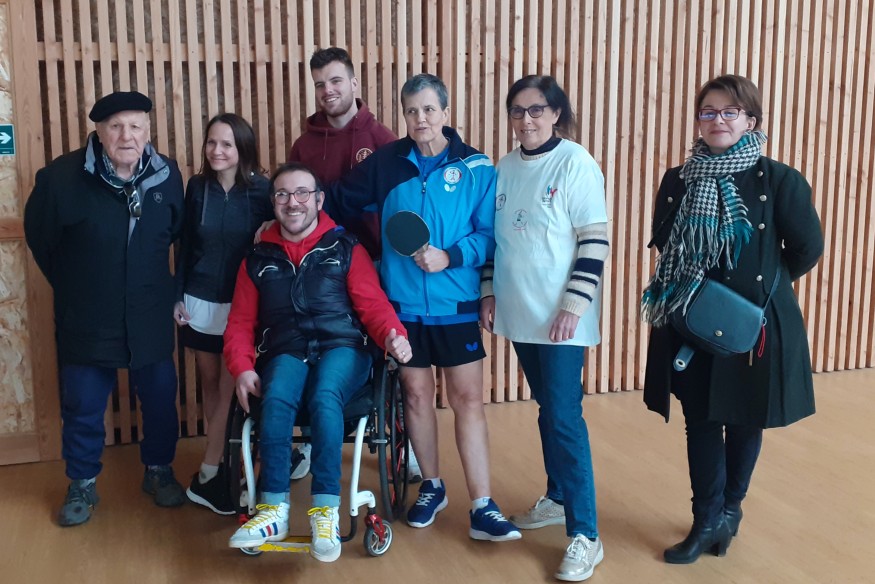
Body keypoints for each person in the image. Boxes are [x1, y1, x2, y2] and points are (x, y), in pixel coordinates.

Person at [326, 73, 519, 542]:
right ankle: (432, 486)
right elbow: (336, 201)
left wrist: (449, 256)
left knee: (467, 399)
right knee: (415, 395)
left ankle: (483, 505)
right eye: (411, 111)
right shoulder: (386, 164)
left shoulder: (476, 167)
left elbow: (489, 235)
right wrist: (278, 211)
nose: (421, 119)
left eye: (429, 109)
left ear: (446, 113)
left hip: (456, 305)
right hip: (404, 307)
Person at [640, 74, 823, 564]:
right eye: (708, 112)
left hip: (753, 324)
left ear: (751, 121)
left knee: (745, 420)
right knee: (699, 420)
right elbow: (666, 244)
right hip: (690, 321)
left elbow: (806, 249)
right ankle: (706, 521)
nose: (717, 120)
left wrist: (755, 291)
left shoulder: (779, 180)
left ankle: (730, 511)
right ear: (698, 121)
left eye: (729, 112)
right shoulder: (678, 180)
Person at [223, 162, 412, 562]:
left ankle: (324, 510)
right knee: (275, 397)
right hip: (286, 349)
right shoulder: (256, 258)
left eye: (302, 193)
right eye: (283, 194)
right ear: (273, 202)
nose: (293, 202)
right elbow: (239, 322)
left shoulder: (346, 248)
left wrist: (393, 335)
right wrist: (242, 367)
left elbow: (373, 305)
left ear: (319, 200)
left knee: (326, 396)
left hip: (343, 346)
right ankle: (273, 510)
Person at [23, 91, 186, 526]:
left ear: (148, 131)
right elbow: (40, 239)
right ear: (98, 132)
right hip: (87, 314)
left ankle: (158, 470)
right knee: (83, 403)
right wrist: (77, 285)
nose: (126, 136)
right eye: (115, 127)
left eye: (135, 126)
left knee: (159, 398)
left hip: (149, 311)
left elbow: (175, 232)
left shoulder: (167, 175)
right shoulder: (60, 178)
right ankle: (82, 482)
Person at [480, 75, 610, 581]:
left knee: (564, 416)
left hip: (561, 319)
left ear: (556, 113)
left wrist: (574, 306)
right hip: (520, 313)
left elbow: (594, 240)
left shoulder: (576, 162)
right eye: (517, 111)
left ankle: (586, 534)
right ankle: (557, 496)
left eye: (536, 109)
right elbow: (494, 240)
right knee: (548, 409)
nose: (526, 119)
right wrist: (489, 293)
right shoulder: (505, 167)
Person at [286, 47, 419, 481]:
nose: (328, 90)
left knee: (390, 353)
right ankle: (311, 438)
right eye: (320, 84)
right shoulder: (304, 144)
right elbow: (294, 203)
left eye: (336, 80)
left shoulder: (383, 139)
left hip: (376, 263)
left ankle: (405, 441)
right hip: (319, 267)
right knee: (318, 345)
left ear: (354, 83)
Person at [173, 113, 273, 514]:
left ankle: (212, 469)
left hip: (242, 304)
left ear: (242, 148)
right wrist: (177, 295)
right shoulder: (197, 187)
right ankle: (227, 461)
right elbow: (185, 245)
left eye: (227, 144)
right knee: (211, 386)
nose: (217, 151)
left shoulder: (263, 190)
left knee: (233, 390)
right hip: (198, 301)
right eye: (212, 143)